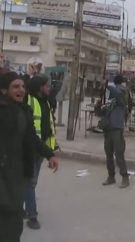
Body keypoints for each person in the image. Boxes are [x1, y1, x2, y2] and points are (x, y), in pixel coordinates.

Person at [0, 72, 58, 242]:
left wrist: (50, 154)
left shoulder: (24, 110)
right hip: (3, 174)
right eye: (15, 87)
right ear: (4, 90)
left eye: (22, 86)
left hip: (18, 173)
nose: (21, 90)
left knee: (15, 222)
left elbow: (32, 137)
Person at [24, 74, 57, 229]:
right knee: (30, 182)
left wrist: (52, 147)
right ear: (40, 86)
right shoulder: (28, 100)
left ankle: (23, 208)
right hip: (30, 148)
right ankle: (32, 215)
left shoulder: (46, 102)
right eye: (47, 85)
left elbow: (48, 126)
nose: (49, 87)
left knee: (31, 182)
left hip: (41, 147)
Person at [102, 75, 130, 188]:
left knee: (119, 154)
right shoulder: (111, 94)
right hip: (108, 127)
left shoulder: (122, 91)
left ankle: (125, 177)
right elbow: (107, 105)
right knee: (108, 154)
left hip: (117, 127)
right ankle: (111, 176)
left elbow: (119, 95)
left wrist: (107, 85)